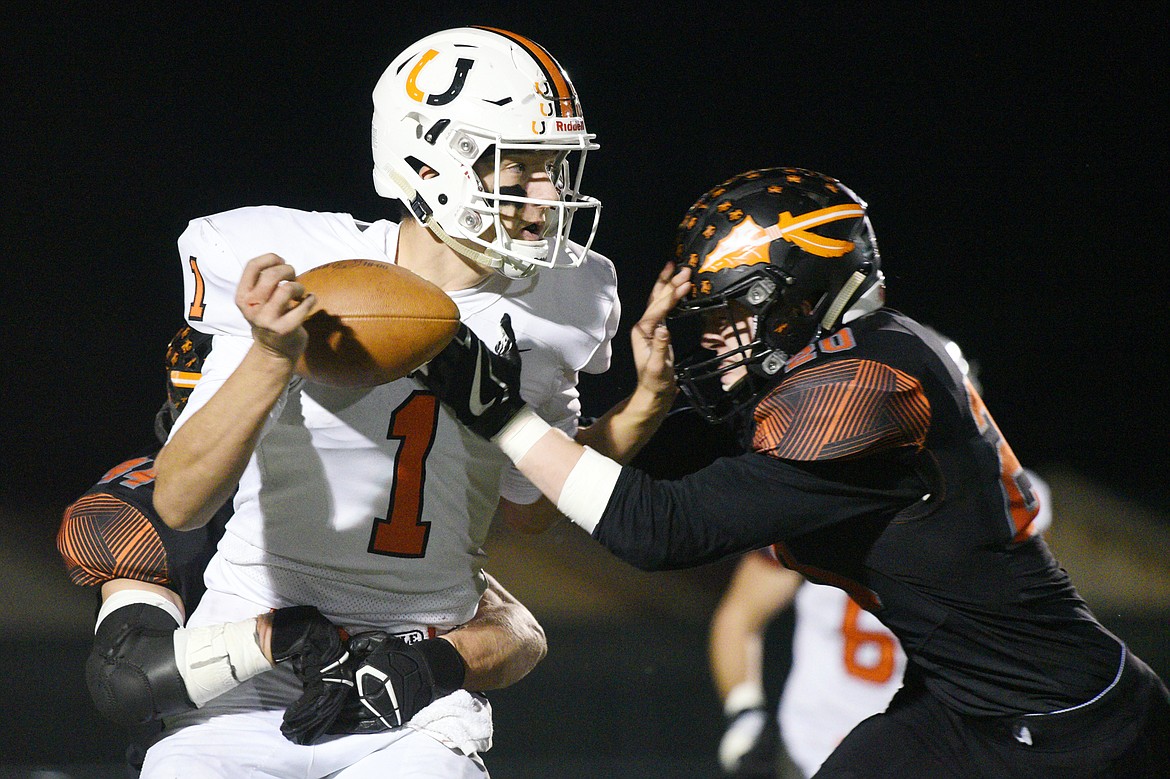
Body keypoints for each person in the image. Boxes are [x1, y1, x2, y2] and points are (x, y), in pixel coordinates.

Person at [414, 166, 1170, 777]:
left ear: (796, 295)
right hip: (963, 702)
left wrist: (500, 411)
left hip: (1072, 724)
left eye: (728, 313)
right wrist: (650, 398)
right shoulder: (856, 361)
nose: (713, 339)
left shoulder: (868, 385)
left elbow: (659, 528)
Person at [142, 26, 687, 778]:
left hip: (417, 680)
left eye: (555, 168)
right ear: (430, 160)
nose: (549, 196)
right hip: (255, 655)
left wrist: (638, 413)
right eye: (520, 168)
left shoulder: (568, 294)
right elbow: (178, 500)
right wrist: (273, 355)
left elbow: (527, 506)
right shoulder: (297, 263)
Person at [57, 326, 549, 773]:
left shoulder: (345, 486)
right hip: (223, 721)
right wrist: (281, 636)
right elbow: (126, 678)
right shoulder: (144, 512)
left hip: (383, 725)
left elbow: (516, 629)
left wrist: (426, 666)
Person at [709, 339, 1054, 779]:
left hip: (935, 751)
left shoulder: (1010, 501)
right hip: (820, 749)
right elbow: (740, 616)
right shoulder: (821, 493)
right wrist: (746, 715)